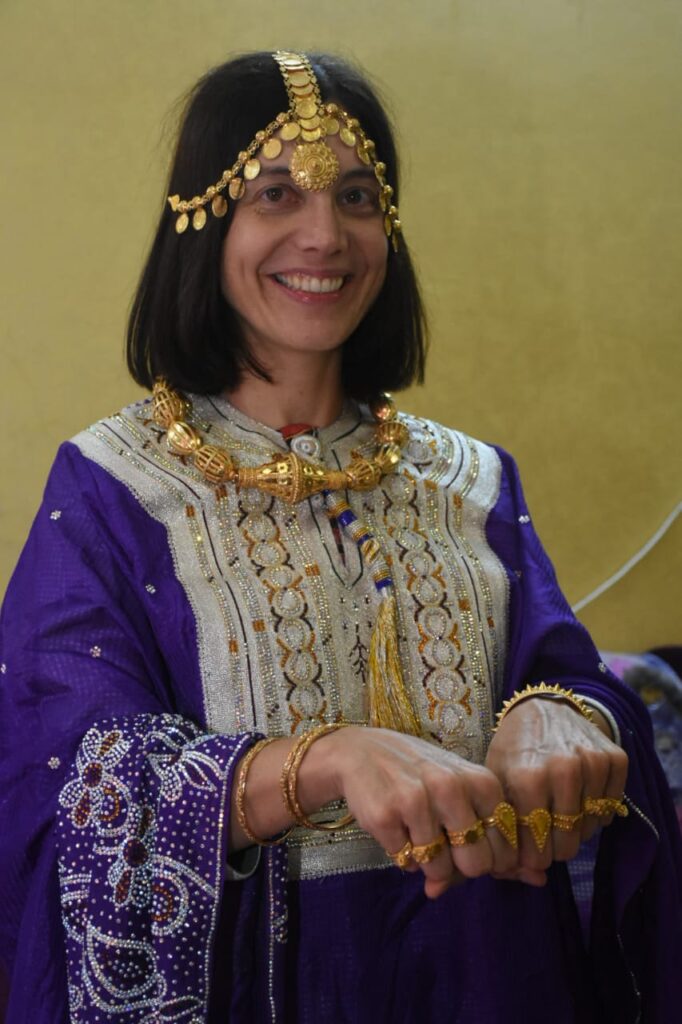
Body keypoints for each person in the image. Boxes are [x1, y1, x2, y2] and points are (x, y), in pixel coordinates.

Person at [0, 50, 680, 1024]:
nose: (325, 234)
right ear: (200, 216)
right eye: (274, 193)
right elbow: (68, 778)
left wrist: (564, 714)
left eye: (357, 195)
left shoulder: (472, 478)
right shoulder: (113, 486)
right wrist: (324, 761)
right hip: (267, 985)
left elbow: (564, 673)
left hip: (497, 977)